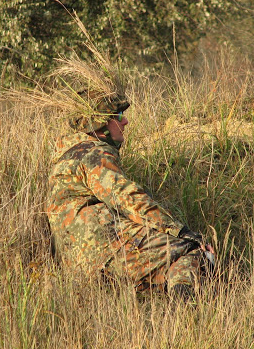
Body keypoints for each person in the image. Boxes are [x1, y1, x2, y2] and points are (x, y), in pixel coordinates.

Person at [46, 88, 215, 295]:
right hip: (104, 246)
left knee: (162, 275)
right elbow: (128, 199)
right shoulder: (94, 153)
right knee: (195, 254)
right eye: (117, 116)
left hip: (76, 263)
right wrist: (183, 233)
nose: (125, 122)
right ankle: (187, 315)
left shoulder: (66, 158)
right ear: (99, 124)